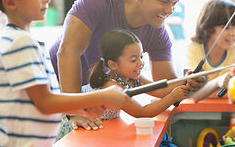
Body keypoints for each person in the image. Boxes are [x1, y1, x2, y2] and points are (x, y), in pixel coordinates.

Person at [0, 0, 129, 147]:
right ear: (10, 2)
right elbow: (45, 102)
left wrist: (82, 109)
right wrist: (101, 96)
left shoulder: (22, 41)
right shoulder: (20, 43)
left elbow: (36, 102)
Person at [49, 0, 204, 130]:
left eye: (174, 3)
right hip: (56, 93)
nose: (170, 10)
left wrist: (188, 81)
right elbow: (68, 50)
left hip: (97, 110)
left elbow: (162, 85)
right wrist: (75, 111)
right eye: (164, 1)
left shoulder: (158, 31)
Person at [56, 29, 205, 140]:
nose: (141, 63)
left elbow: (159, 90)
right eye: (134, 60)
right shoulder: (112, 87)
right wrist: (173, 97)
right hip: (75, 129)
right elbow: (142, 112)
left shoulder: (131, 76)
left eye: (141, 56)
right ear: (113, 64)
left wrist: (185, 80)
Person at [184, 0, 235, 101]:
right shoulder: (193, 49)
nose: (234, 33)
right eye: (226, 27)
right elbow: (192, 95)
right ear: (208, 27)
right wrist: (218, 81)